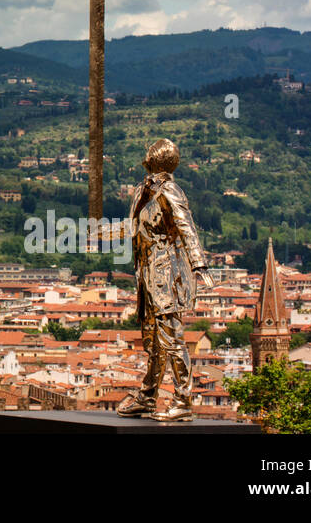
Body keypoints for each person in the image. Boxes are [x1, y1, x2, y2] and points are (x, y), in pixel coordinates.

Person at [116, 138, 213, 422]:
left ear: (156, 161)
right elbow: (135, 227)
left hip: (167, 273)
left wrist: (198, 263)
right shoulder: (143, 190)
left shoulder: (169, 190)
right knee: (153, 339)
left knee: (171, 338)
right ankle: (147, 397)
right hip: (146, 274)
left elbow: (186, 226)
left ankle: (183, 399)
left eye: (149, 158)